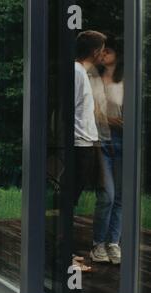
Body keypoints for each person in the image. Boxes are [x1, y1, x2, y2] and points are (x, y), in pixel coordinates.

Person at [72, 30, 107, 271]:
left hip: (85, 143)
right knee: (69, 200)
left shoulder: (81, 72)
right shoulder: (77, 73)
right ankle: (65, 258)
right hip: (79, 145)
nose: (104, 53)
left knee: (71, 199)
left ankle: (67, 252)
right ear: (95, 51)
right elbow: (70, 108)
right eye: (102, 49)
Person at [89, 34, 124, 264]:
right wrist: (110, 120)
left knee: (120, 196)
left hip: (123, 142)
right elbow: (92, 113)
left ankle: (113, 243)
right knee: (107, 196)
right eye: (101, 52)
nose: (102, 55)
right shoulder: (93, 77)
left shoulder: (125, 81)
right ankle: (98, 244)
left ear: (117, 55)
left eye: (107, 52)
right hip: (102, 142)